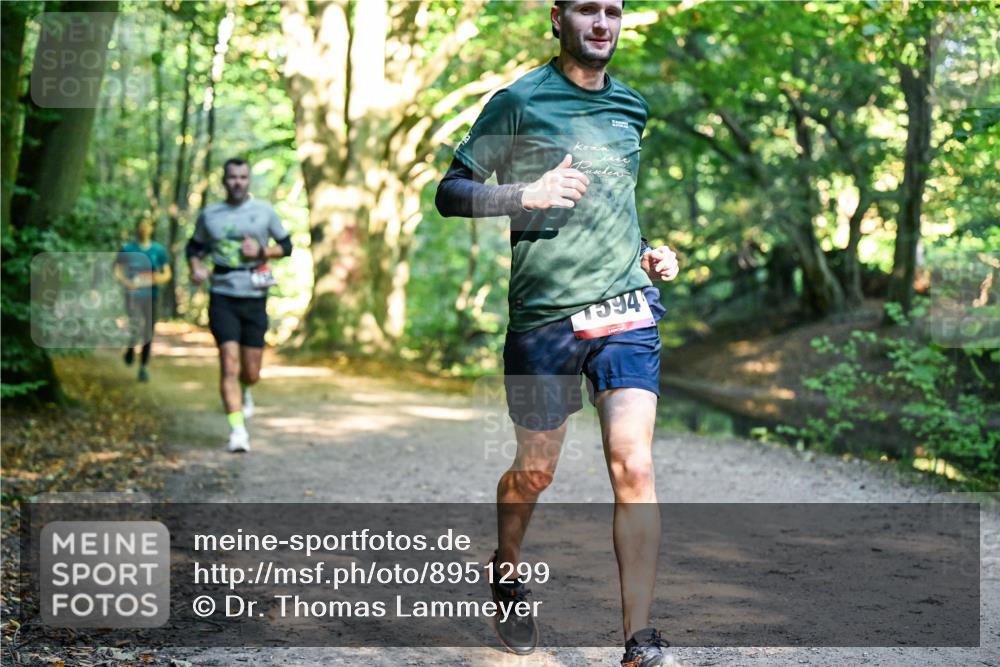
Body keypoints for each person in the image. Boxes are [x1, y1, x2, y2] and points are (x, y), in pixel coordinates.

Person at [434, 1, 681, 665]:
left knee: (634, 463)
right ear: (558, 17)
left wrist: (651, 252)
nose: (603, 23)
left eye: (613, 11)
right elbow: (451, 192)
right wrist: (525, 195)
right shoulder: (518, 101)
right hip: (543, 317)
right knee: (535, 472)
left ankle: (639, 640)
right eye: (588, 10)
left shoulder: (632, 107)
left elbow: (616, 202)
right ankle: (506, 566)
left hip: (626, 308)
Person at [185, 158, 292, 453]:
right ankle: (237, 431)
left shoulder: (264, 212)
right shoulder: (210, 215)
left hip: (256, 297)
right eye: (232, 177)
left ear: (249, 181)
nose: (237, 182)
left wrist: (262, 250)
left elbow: (287, 246)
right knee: (228, 364)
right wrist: (196, 267)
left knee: (251, 372)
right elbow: (194, 247)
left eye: (243, 177)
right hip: (222, 296)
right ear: (224, 180)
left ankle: (246, 391)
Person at [114, 218, 171, 382]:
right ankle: (131, 348)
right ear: (138, 229)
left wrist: (155, 279)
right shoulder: (127, 249)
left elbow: (167, 274)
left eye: (147, 226)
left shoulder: (158, 250)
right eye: (141, 226)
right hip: (132, 295)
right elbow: (117, 270)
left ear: (151, 229)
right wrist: (126, 283)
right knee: (135, 325)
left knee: (148, 331)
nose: (144, 229)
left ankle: (143, 367)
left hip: (151, 296)